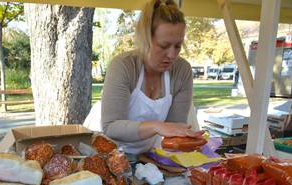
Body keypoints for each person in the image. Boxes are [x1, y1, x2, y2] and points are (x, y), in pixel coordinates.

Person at [84, 0, 203, 154]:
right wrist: (156, 126)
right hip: (108, 151)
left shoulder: (182, 71)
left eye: (178, 46)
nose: (172, 55)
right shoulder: (123, 66)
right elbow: (111, 127)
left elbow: (174, 128)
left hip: (148, 153)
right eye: (164, 46)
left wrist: (187, 142)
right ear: (145, 39)